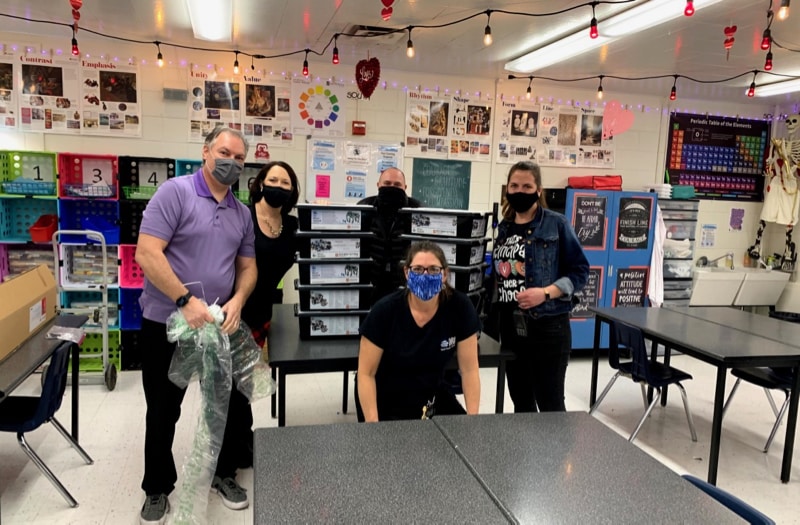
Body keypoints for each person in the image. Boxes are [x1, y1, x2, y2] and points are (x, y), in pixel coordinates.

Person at [135, 126, 257, 524]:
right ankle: (157, 488)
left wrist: (238, 300)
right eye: (225, 152)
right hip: (167, 323)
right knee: (164, 407)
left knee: (225, 405)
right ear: (206, 152)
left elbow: (248, 267)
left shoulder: (241, 213)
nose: (231, 162)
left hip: (218, 325)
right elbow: (147, 253)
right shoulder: (175, 193)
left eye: (239, 158)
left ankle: (223, 474)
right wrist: (184, 300)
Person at [490, 160, 588, 413]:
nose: (519, 191)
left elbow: (580, 272)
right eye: (514, 185)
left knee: (550, 403)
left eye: (526, 186)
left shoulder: (556, 224)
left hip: (548, 327)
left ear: (538, 190)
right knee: (520, 400)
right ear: (507, 190)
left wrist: (545, 293)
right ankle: (525, 453)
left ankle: (554, 454)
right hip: (512, 328)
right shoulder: (503, 228)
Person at [356, 240, 481, 421]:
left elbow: (469, 370)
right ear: (407, 273)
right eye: (417, 269)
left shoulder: (459, 307)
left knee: (461, 440)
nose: (425, 275)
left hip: (431, 392)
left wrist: (473, 421)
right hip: (386, 396)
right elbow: (366, 374)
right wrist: (373, 425)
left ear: (444, 274)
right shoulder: (384, 311)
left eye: (433, 269)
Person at [233, 160, 300, 465]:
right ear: (259, 183)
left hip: (262, 313)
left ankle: (242, 441)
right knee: (229, 387)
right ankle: (230, 456)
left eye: (286, 183)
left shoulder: (293, 226)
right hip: (234, 309)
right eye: (273, 180)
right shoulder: (243, 217)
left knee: (243, 384)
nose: (279, 187)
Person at [357, 167, 422, 305]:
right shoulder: (364, 208)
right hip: (371, 284)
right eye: (387, 184)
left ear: (405, 187)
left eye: (397, 185)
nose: (392, 188)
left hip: (403, 284)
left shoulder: (417, 210)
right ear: (378, 185)